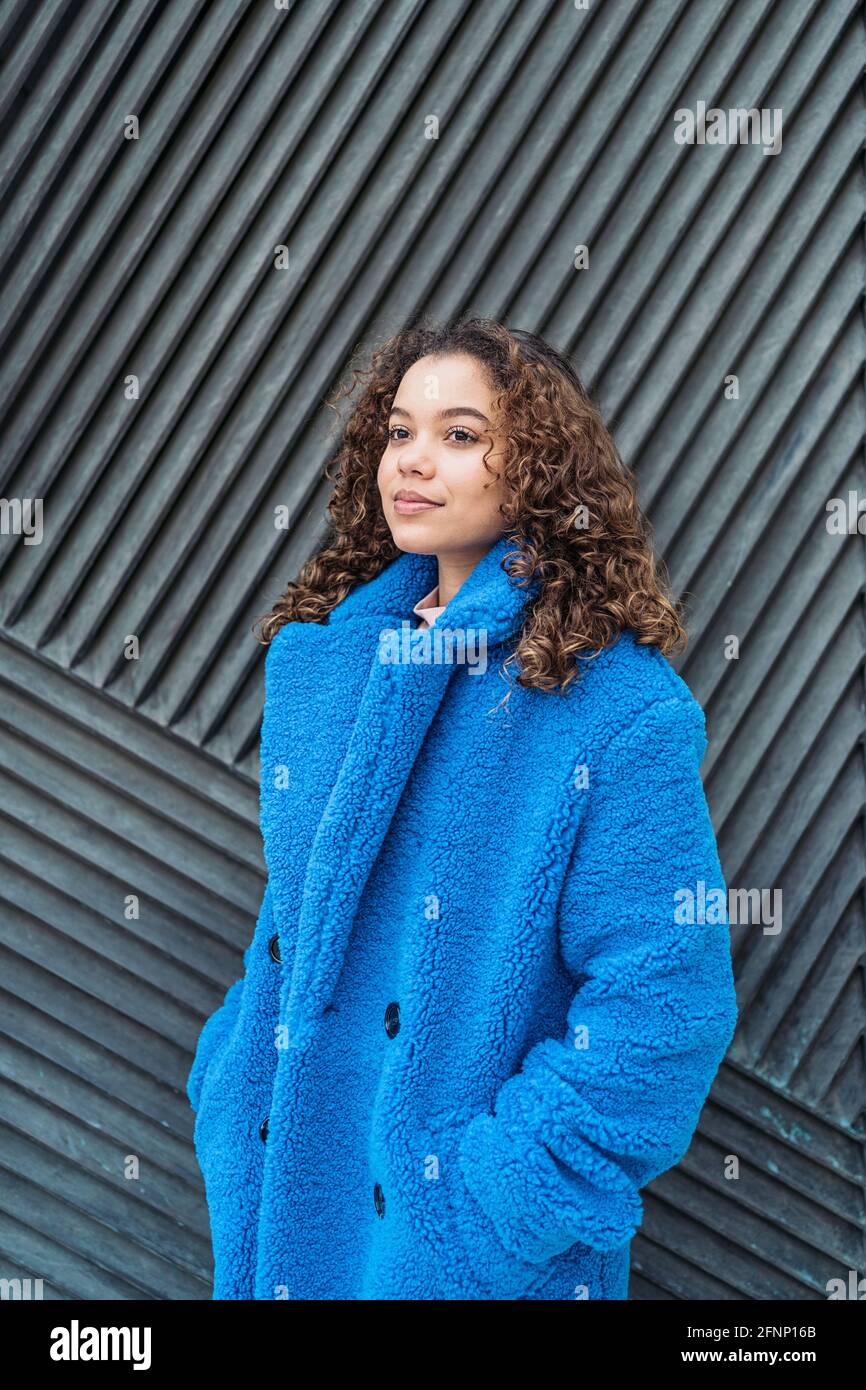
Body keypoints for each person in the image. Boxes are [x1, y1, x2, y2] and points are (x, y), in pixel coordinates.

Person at [186, 316, 738, 1300]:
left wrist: (492, 1206)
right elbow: (292, 927)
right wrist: (233, 1085)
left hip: (456, 1256)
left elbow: (664, 1001)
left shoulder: (613, 711)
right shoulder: (331, 666)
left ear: (535, 465)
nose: (413, 461)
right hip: (287, 1208)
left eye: (459, 435)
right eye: (398, 432)